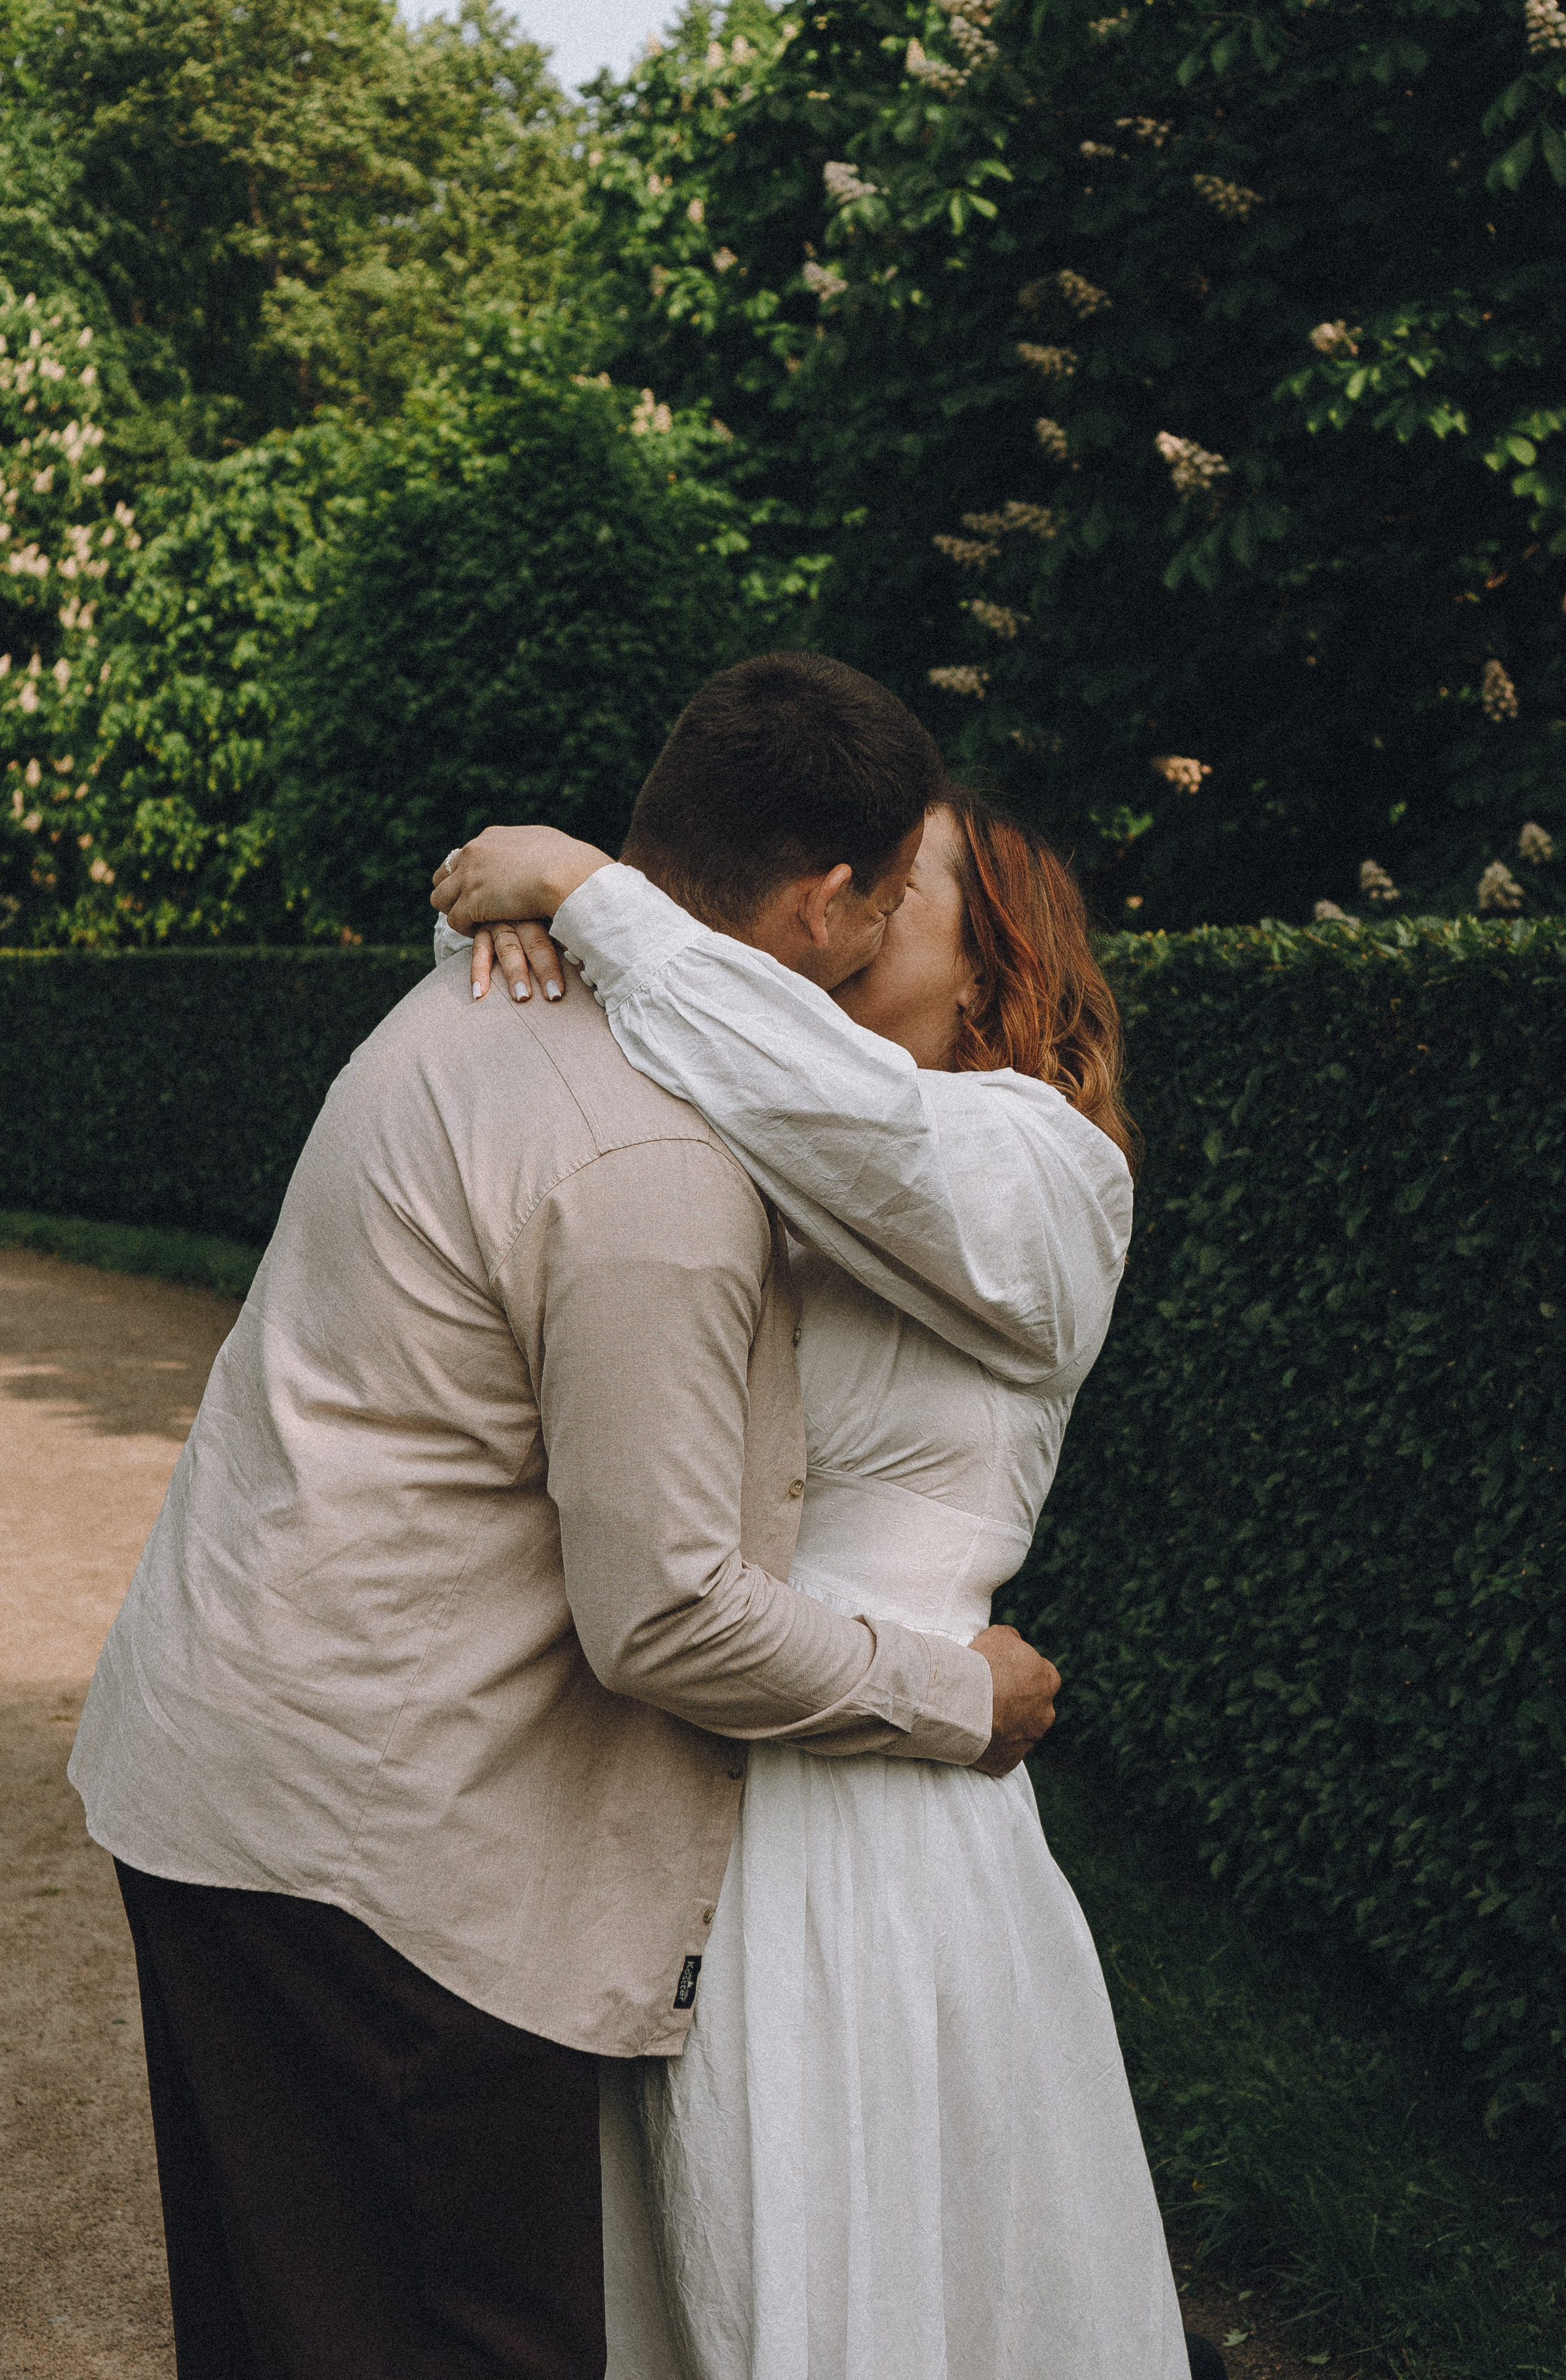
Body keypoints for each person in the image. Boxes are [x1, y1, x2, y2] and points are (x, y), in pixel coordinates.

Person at [68, 651, 1062, 2380]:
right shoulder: (658, 1168)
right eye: (901, 890)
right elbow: (668, 1613)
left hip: (231, 1780)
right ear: (827, 903)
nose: (907, 919)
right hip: (390, 1856)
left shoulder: (478, 1000)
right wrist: (964, 1695)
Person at [431, 788, 1195, 2380]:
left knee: (885, 2267)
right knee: (710, 2266)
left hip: (880, 1824)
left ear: (994, 971)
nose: (831, 898)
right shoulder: (753, 1115)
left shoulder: (1043, 1173)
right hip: (685, 1755)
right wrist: (527, 923)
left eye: (896, 888)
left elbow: (857, 1120)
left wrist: (588, 890)